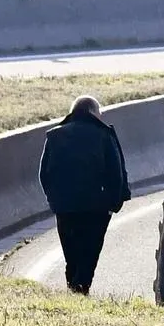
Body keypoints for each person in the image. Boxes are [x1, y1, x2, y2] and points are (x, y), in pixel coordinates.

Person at [38, 95, 130, 295]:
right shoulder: (104, 135)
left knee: (71, 253)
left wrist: (54, 200)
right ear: (92, 112)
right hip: (96, 206)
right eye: (99, 113)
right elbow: (115, 174)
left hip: (64, 206)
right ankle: (80, 289)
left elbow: (44, 173)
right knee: (89, 252)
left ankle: (73, 289)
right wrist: (113, 203)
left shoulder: (54, 136)